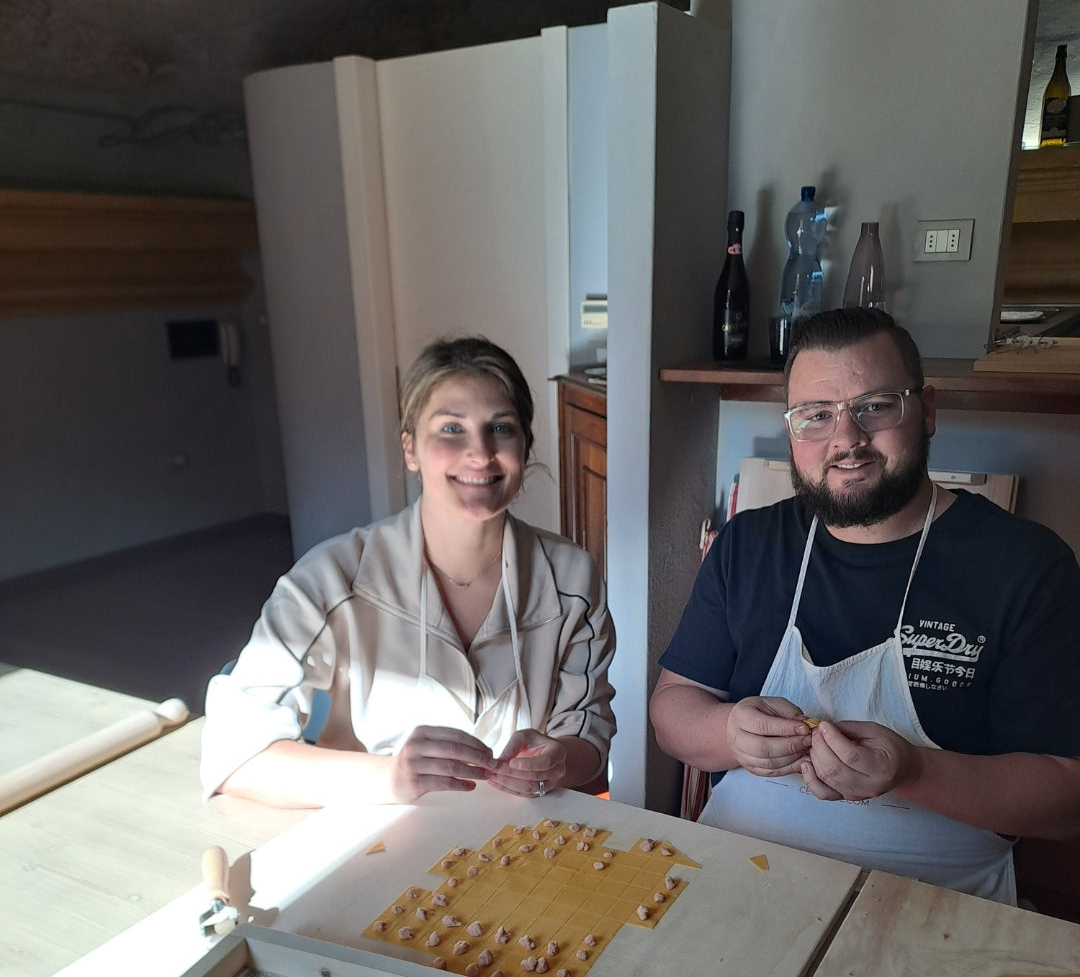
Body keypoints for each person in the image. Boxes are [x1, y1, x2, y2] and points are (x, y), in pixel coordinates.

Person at [651, 307, 1080, 903]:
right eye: (816, 415)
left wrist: (912, 771)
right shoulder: (749, 545)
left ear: (926, 411)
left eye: (876, 406)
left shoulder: (1027, 566)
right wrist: (729, 733)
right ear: (791, 429)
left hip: (939, 896)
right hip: (737, 875)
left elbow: (1066, 797)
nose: (846, 438)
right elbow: (673, 708)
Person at [201, 336, 614, 807]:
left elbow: (590, 742)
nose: (479, 453)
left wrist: (558, 759)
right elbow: (233, 754)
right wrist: (391, 777)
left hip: (515, 850)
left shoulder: (572, 580)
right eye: (451, 429)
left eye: (500, 428)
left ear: (525, 445)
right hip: (381, 850)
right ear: (410, 449)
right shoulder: (330, 579)